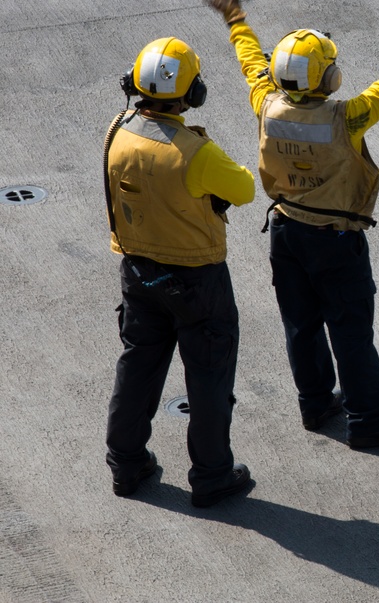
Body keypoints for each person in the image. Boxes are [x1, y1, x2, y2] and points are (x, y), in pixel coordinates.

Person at [204, 0, 379, 448]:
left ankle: (316, 404)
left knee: (301, 325)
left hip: (286, 232)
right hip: (337, 242)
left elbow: (250, 64)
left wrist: (235, 18)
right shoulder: (350, 117)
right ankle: (367, 420)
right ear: (326, 79)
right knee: (351, 331)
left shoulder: (266, 103)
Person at [104, 36, 256, 508]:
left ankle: (125, 464)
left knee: (138, 364)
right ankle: (211, 475)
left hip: (138, 273)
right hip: (197, 281)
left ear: (134, 85)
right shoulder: (196, 152)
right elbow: (246, 189)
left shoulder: (116, 130)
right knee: (208, 378)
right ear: (193, 95)